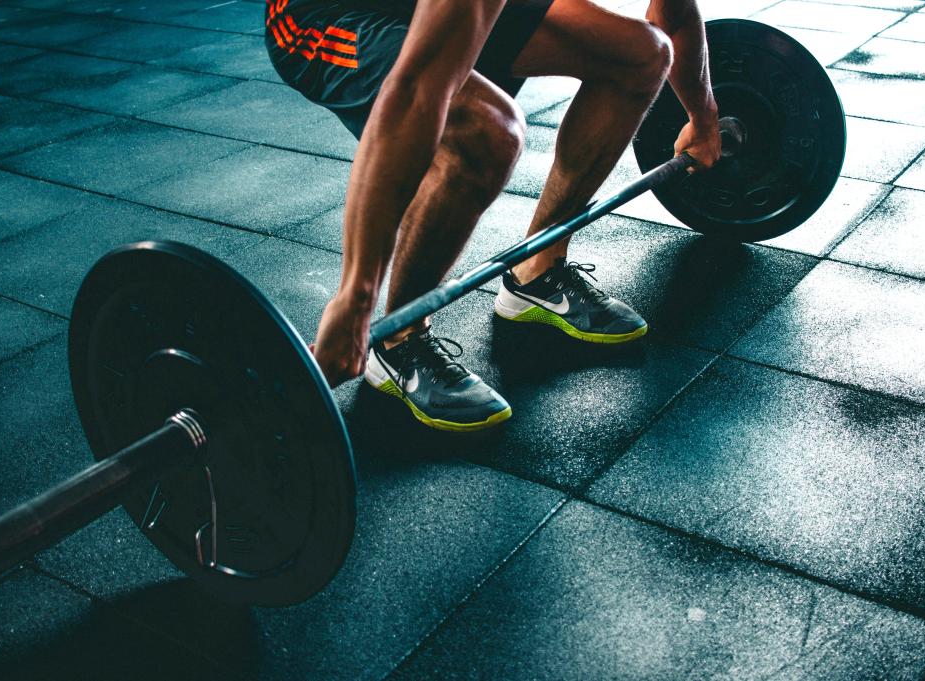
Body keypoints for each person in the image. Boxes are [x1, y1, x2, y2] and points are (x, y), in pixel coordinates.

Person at [265, 0, 721, 431]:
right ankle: (398, 340)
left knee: (641, 54)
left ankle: (537, 271)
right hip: (325, 15)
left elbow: (674, 15)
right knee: (488, 130)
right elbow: (417, 91)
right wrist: (355, 297)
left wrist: (703, 117)